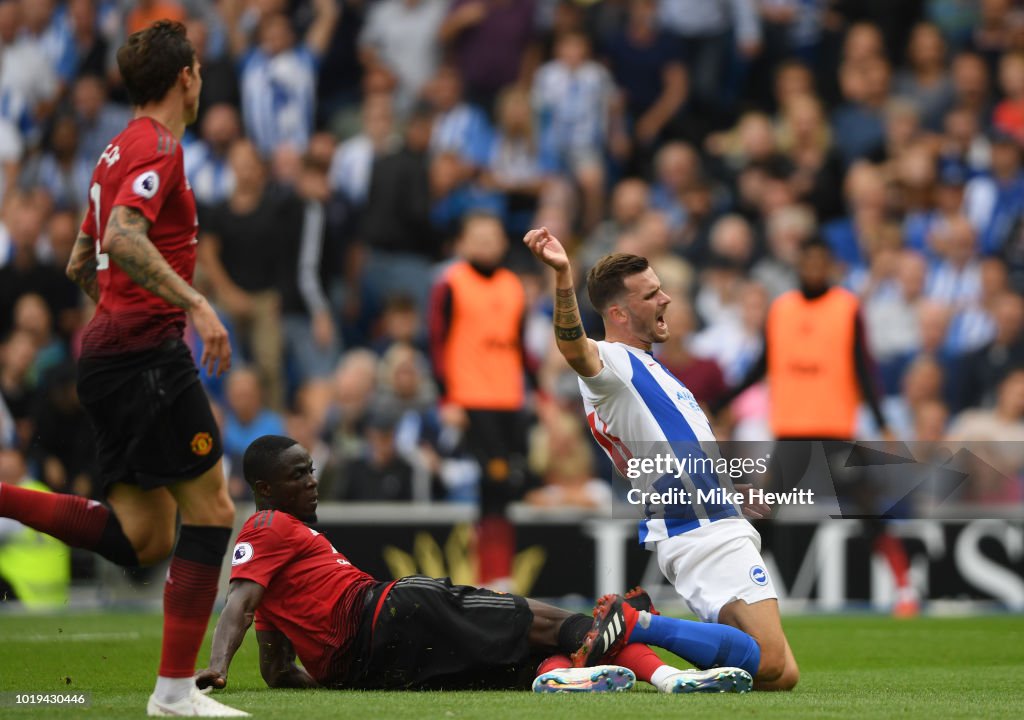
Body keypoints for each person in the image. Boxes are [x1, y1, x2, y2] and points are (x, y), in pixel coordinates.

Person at [0, 21, 244, 717]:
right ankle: (174, 694)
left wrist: (118, 316)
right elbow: (118, 237)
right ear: (186, 78)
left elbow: (84, 260)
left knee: (142, 537)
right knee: (212, 510)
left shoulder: (111, 151)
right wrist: (194, 305)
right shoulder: (158, 146)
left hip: (106, 356)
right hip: (144, 357)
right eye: (197, 70)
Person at [194, 435, 755, 695]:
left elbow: (275, 671)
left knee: (517, 665)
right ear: (264, 488)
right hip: (394, 610)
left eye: (311, 470)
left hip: (373, 672)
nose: (311, 482)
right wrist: (217, 666)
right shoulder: (269, 527)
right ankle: (665, 665)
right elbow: (237, 602)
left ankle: (564, 677)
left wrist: (336, 684)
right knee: (551, 621)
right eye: (298, 475)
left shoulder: (279, 578)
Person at [523, 226, 799, 690]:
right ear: (618, 312)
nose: (667, 299)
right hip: (701, 529)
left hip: (711, 521)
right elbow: (573, 346)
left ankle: (605, 655)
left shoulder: (653, 367)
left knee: (778, 674)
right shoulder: (611, 364)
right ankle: (635, 624)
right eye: (652, 294)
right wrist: (563, 275)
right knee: (770, 664)